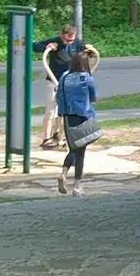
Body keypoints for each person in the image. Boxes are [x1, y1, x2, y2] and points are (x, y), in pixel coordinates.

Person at [33, 25, 94, 149]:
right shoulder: (55, 41)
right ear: (62, 35)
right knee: (51, 109)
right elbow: (35, 46)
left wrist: (90, 49)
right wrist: (47, 47)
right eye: (67, 40)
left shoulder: (77, 43)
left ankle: (60, 136)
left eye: (71, 40)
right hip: (54, 81)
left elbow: (87, 52)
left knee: (65, 110)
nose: (69, 42)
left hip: (70, 83)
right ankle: (47, 138)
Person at [54, 48, 101, 196]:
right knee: (81, 152)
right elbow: (93, 97)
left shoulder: (64, 77)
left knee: (72, 149)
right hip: (83, 116)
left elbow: (58, 97)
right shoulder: (87, 78)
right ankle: (77, 187)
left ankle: (63, 173)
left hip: (68, 117)